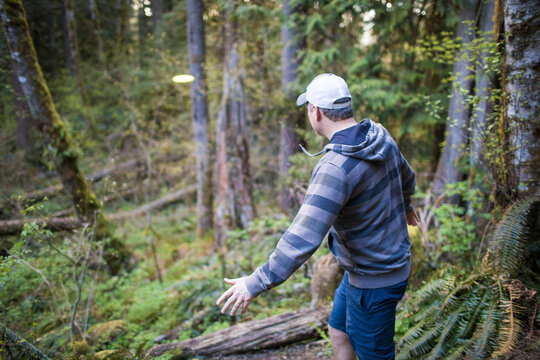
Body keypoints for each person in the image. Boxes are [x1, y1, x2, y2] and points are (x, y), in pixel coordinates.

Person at [216, 73, 418, 360]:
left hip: (374, 279)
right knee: (339, 331)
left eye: (308, 108)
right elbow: (407, 176)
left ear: (317, 112)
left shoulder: (335, 168)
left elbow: (303, 237)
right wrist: (407, 204)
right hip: (368, 270)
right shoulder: (378, 135)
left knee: (376, 355)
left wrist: (254, 283)